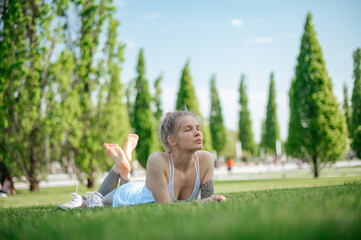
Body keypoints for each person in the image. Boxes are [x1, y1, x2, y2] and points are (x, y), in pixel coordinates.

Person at [58, 110, 227, 210]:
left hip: (145, 189)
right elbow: (166, 209)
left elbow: (207, 199)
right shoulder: (157, 160)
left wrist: (214, 199)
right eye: (188, 129)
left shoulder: (206, 159)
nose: (198, 133)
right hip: (129, 194)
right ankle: (121, 170)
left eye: (198, 128)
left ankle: (123, 169)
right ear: (172, 140)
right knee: (95, 200)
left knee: (108, 192)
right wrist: (201, 204)